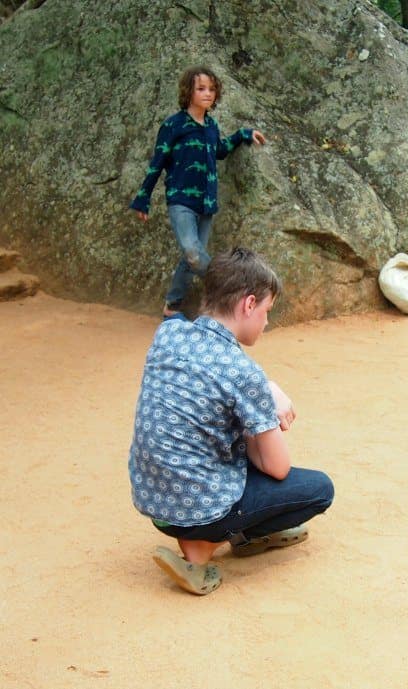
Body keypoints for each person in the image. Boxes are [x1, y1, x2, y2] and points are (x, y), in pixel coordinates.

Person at [128, 247, 334, 595]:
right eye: (267, 311)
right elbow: (278, 468)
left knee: (231, 447)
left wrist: (265, 389)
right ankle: (206, 547)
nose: (267, 322)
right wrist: (267, 396)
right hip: (200, 510)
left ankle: (224, 536)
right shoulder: (242, 372)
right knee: (319, 489)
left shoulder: (169, 334)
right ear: (248, 304)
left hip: (154, 504)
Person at [130, 66, 267, 318]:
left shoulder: (211, 126)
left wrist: (243, 135)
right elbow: (158, 162)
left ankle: (172, 306)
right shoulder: (174, 125)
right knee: (193, 253)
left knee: (190, 259)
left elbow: (221, 151)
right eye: (201, 88)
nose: (208, 94)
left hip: (207, 204)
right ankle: (230, 287)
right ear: (188, 92)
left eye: (212, 89)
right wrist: (143, 198)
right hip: (181, 200)